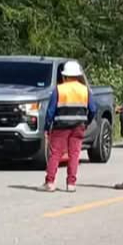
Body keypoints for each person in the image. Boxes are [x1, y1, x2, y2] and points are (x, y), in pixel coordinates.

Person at [39, 61, 97, 193]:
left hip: (61, 126)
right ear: (77, 76)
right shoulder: (85, 90)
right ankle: (71, 184)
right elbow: (93, 109)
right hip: (78, 126)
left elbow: (50, 111)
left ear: (65, 76)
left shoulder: (59, 89)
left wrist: (47, 127)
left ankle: (50, 182)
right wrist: (86, 121)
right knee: (74, 154)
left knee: (55, 154)